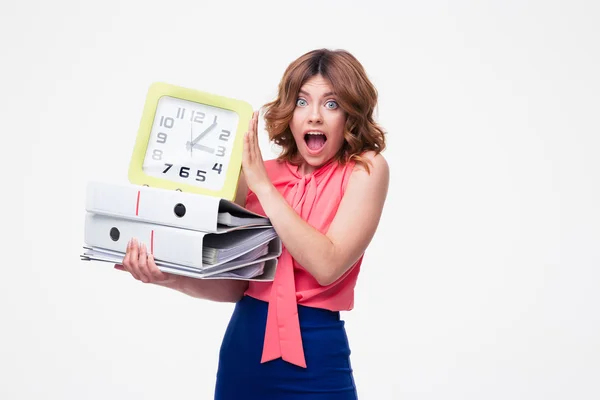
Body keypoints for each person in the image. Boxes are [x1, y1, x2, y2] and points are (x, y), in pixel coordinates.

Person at [117, 48, 389, 399]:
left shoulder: (366, 170)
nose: (315, 117)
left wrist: (261, 184)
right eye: (303, 102)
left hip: (318, 354)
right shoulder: (261, 174)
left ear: (350, 114)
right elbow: (235, 287)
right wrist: (169, 276)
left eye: (332, 104)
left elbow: (327, 265)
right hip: (244, 350)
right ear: (289, 112)